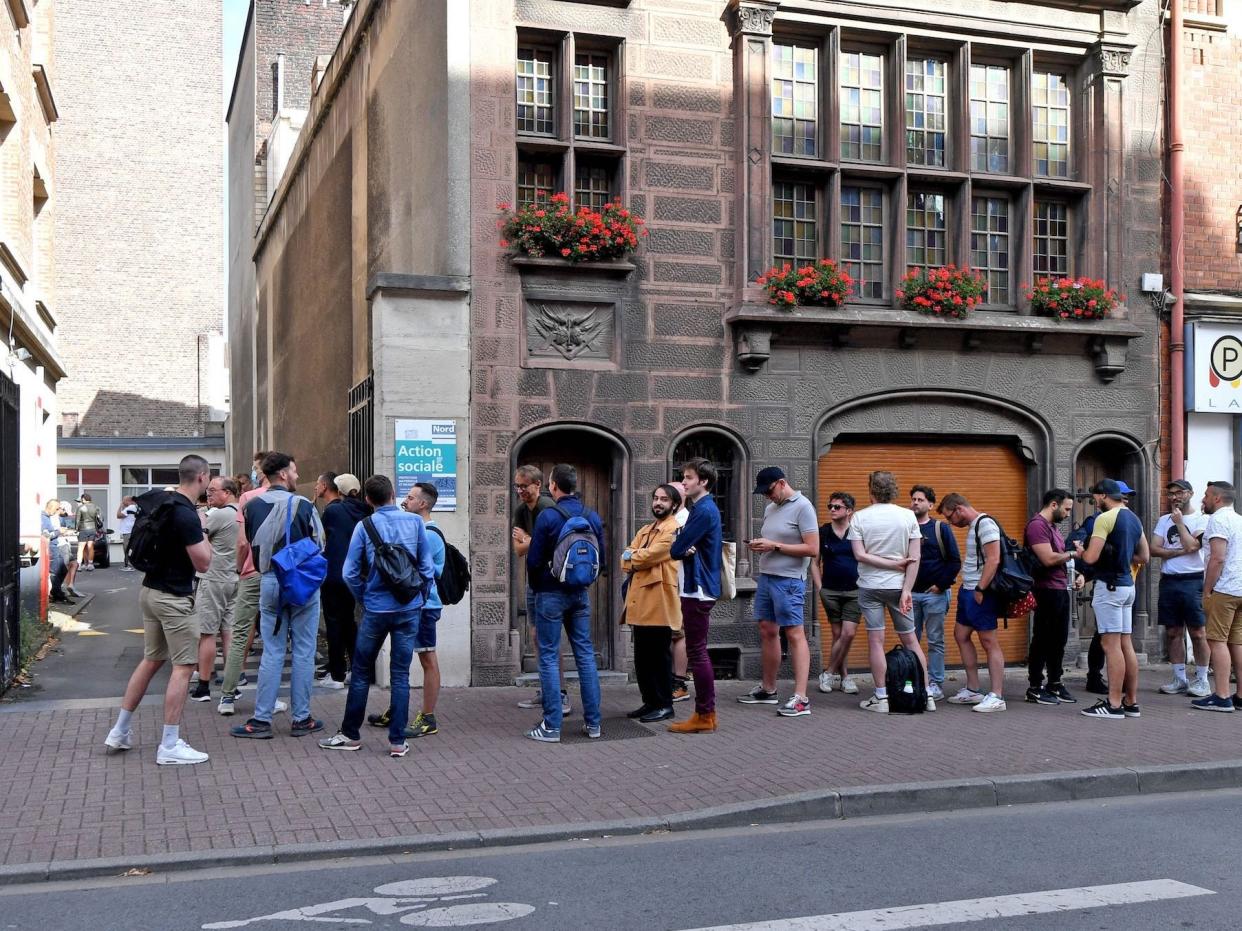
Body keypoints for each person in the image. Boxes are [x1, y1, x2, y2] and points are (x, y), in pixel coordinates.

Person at [103, 454, 213, 764]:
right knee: (183, 667)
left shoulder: (160, 500)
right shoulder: (188, 515)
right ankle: (169, 744)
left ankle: (120, 730)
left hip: (150, 590)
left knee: (152, 659)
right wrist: (203, 529)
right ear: (202, 477)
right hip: (175, 598)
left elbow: (129, 504)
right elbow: (204, 562)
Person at [319, 475, 437, 757]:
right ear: (393, 494)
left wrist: (365, 597)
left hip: (376, 609)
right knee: (400, 674)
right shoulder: (414, 523)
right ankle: (397, 741)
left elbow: (349, 572)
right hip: (408, 609)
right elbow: (427, 567)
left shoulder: (365, 526)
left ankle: (350, 734)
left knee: (360, 672)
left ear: (368, 500)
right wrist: (418, 598)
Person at [230, 451, 326, 740]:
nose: (297, 476)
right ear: (283, 474)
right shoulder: (303, 505)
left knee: (272, 650)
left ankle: (261, 719)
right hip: (301, 583)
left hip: (269, 580)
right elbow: (320, 543)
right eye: (294, 471)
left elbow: (246, 544)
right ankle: (301, 718)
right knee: (304, 649)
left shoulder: (250, 506)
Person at [524, 463, 605, 743]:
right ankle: (594, 725)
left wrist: (539, 583)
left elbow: (533, 560)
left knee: (547, 656)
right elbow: (601, 561)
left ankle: (551, 726)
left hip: (549, 594)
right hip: (580, 594)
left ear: (553, 486)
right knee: (585, 655)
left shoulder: (547, 517)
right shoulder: (591, 515)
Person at [850, 471, 931, 714]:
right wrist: (906, 589)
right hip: (899, 588)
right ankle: (925, 695)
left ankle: (881, 698)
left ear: (871, 490)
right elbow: (915, 558)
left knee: (876, 640)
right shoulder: (908, 516)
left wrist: (887, 565)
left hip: (870, 586)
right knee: (911, 641)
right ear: (894, 490)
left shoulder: (859, 518)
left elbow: (860, 555)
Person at [740, 467, 819, 717]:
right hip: (767, 576)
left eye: (769, 491)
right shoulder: (771, 508)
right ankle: (769, 689)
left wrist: (774, 545)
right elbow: (776, 541)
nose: (767, 496)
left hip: (789, 580)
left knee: (794, 633)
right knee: (767, 629)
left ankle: (801, 698)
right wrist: (762, 545)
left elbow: (812, 548)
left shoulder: (803, 507)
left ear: (782, 483)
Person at [1079, 479, 1148, 720]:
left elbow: (1090, 558)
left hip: (1108, 586)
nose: (1095, 501)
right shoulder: (1134, 518)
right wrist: (1124, 556)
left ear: (1103, 496)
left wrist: (1080, 551)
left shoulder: (1104, 518)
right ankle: (1131, 702)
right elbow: (1144, 556)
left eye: (1096, 497)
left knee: (1110, 646)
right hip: (1128, 585)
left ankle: (1114, 704)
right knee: (1126, 644)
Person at [216, 454, 277, 716]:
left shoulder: (248, 499)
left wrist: (240, 567)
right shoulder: (290, 498)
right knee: (274, 638)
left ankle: (227, 697)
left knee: (240, 633)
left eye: (254, 469)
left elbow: (242, 542)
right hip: (277, 574)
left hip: (251, 572)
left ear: (262, 472)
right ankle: (270, 699)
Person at [668, 458, 723, 734]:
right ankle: (706, 714)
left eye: (688, 478)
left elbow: (676, 549)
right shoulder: (703, 509)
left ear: (703, 481)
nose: (684, 482)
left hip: (697, 587)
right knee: (698, 650)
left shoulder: (702, 510)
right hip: (699, 587)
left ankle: (704, 714)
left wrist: (682, 544)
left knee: (697, 652)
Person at [938, 493, 1007, 713]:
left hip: (980, 592)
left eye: (950, 517)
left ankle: (996, 696)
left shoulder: (985, 524)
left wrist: (980, 588)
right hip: (968, 590)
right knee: (961, 635)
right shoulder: (975, 525)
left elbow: (993, 559)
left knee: (988, 640)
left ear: (959, 509)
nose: (951, 523)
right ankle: (973, 689)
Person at [622, 485, 684, 723]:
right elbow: (625, 556)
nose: (658, 503)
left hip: (659, 600)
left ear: (674, 505)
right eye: (656, 498)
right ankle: (649, 702)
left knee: (659, 656)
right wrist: (634, 557)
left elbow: (652, 555)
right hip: (639, 600)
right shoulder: (646, 529)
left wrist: (634, 557)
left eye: (664, 499)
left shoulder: (674, 529)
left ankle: (664, 704)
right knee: (642, 657)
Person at [510, 464, 568, 715]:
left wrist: (528, 539)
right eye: (517, 486)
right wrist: (529, 542)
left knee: (550, 641)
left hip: (551, 584)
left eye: (525, 486)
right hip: (533, 583)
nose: (521, 490)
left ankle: (561, 694)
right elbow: (518, 550)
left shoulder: (548, 508)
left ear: (538, 485)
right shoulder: (521, 511)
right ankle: (546, 690)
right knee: (536, 637)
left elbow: (554, 545)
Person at [1152, 479, 1211, 697]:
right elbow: (1153, 549)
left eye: (1179, 493)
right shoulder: (1163, 519)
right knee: (1173, 631)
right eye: (1171, 494)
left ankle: (1202, 680)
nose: (1174, 497)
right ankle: (1179, 679)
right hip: (1169, 580)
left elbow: (1193, 546)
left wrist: (1179, 524)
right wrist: (1179, 552)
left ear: (1190, 494)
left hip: (1193, 580)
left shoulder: (1201, 519)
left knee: (1198, 632)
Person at [1024, 489, 1083, 705]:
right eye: (1066, 509)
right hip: (1045, 590)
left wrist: (1076, 575)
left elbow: (1059, 559)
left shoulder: (1053, 528)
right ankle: (1035, 686)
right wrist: (1075, 553)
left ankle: (1055, 683)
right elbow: (1048, 559)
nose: (1068, 514)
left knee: (1059, 639)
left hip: (1060, 588)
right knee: (1042, 638)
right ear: (1054, 505)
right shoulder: (1037, 526)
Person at [1191, 480, 1242, 713]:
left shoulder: (1218, 520)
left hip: (1224, 588)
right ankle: (1240, 695)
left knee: (1217, 641)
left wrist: (1207, 590)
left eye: (1206, 495)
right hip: (1240, 588)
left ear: (1217, 498)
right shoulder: (1239, 519)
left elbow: (1217, 558)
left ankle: (1222, 696)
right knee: (1236, 642)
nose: (1203, 499)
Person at [189, 477, 241, 704]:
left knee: (207, 633)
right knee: (229, 632)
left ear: (228, 492)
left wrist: (201, 518)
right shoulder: (243, 511)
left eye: (212, 491)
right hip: (234, 578)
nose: (208, 495)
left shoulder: (218, 515)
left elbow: (198, 541)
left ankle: (203, 686)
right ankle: (232, 685)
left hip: (212, 579)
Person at [317, 472, 369, 690]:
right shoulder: (365, 511)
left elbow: (321, 538)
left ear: (338, 491)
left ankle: (337, 674)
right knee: (349, 622)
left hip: (334, 573)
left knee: (334, 623)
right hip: (355, 575)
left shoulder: (333, 510)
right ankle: (355, 669)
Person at [909, 485, 961, 702]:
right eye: (913, 499)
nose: (915, 503)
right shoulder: (905, 528)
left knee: (935, 640)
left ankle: (936, 683)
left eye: (920, 500)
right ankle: (912, 682)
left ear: (930, 505)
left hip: (934, 596)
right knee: (910, 640)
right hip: (910, 595)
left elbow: (955, 561)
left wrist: (941, 585)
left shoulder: (940, 529)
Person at [811, 491, 861, 696]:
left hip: (855, 590)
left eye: (837, 507)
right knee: (838, 635)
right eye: (830, 506)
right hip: (830, 590)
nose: (832, 510)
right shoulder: (823, 532)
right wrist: (819, 587)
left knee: (848, 634)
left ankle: (829, 672)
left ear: (849, 511)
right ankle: (846, 677)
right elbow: (814, 562)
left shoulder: (858, 531)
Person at [668, 480, 691, 704]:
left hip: (679, 584)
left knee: (679, 633)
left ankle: (679, 683)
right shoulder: (669, 519)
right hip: (665, 584)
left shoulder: (686, 520)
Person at [41, 500, 72, 603]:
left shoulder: (48, 517)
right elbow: (46, 536)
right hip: (50, 548)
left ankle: (56, 592)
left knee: (63, 569)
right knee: (56, 572)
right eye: (57, 508)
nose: (58, 510)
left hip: (54, 547)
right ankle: (56, 594)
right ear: (52, 507)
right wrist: (59, 532)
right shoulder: (44, 518)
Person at [75, 493, 102, 571]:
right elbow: (99, 519)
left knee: (81, 548)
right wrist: (97, 529)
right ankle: (90, 564)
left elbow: (77, 520)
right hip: (93, 529)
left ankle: (79, 565)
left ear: (83, 499)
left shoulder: (80, 508)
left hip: (83, 529)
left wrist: (76, 529)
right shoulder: (96, 507)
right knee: (90, 547)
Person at [116, 496, 138, 571]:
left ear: (128, 501)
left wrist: (120, 506)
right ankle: (128, 565)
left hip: (128, 531)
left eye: (123, 500)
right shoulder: (134, 507)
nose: (122, 502)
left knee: (127, 548)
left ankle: (129, 565)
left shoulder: (130, 507)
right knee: (129, 548)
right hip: (130, 531)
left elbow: (118, 515)